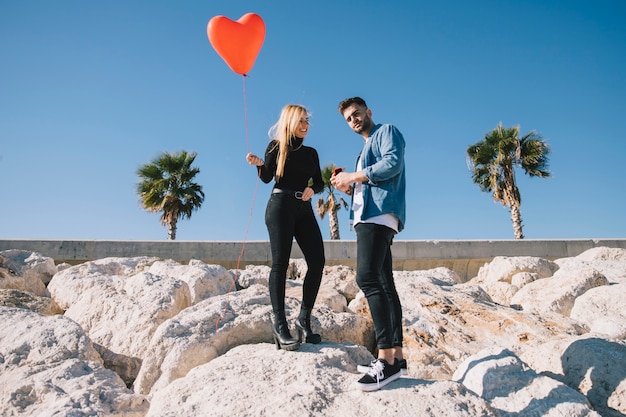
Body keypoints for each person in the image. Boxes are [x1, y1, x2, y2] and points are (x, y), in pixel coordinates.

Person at [331, 97, 407, 391]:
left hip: (379, 216)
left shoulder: (386, 131)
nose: (354, 120)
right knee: (385, 283)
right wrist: (349, 185)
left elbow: (392, 163)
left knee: (366, 278)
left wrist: (354, 175)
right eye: (349, 119)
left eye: (357, 114)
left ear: (368, 112)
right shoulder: (364, 148)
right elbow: (370, 182)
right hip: (370, 214)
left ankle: (385, 360)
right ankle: (396, 358)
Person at [246, 104, 325, 351]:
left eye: (307, 121)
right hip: (280, 206)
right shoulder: (275, 146)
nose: (305, 125)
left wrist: (314, 189)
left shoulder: (311, 152)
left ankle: (303, 319)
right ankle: (280, 325)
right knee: (280, 264)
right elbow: (268, 177)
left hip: (304, 208)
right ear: (290, 122)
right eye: (300, 121)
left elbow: (320, 183)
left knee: (317, 261)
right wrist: (259, 164)